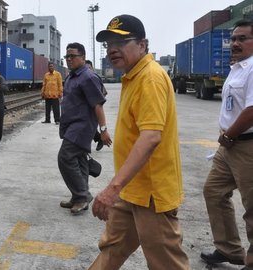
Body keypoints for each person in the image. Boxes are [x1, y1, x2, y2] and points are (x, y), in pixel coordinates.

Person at [90, 14, 189, 269]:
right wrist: (119, 188)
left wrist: (111, 189)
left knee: (165, 262)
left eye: (121, 42)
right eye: (108, 44)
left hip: (151, 193)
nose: (112, 49)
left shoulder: (150, 78)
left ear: (143, 45)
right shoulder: (133, 75)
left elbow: (151, 137)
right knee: (111, 249)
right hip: (132, 188)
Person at [201, 19, 253, 269]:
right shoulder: (238, 68)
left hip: (246, 145)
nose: (235, 43)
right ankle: (229, 248)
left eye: (242, 38)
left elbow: (252, 109)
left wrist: (231, 135)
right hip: (229, 144)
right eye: (233, 39)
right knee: (214, 191)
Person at [58, 42, 112, 215]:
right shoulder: (72, 76)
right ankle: (78, 197)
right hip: (71, 125)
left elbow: (98, 105)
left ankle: (82, 196)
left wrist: (103, 130)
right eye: (67, 56)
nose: (69, 59)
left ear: (82, 57)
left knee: (65, 157)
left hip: (81, 126)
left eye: (72, 56)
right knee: (80, 161)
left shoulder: (88, 76)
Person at [86, 60, 108, 151]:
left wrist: (96, 101)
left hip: (94, 108)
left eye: (89, 67)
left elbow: (104, 92)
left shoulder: (95, 78)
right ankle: (98, 139)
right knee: (87, 127)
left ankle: (88, 147)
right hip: (85, 108)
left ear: (92, 68)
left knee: (89, 127)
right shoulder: (83, 79)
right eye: (85, 68)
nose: (87, 69)